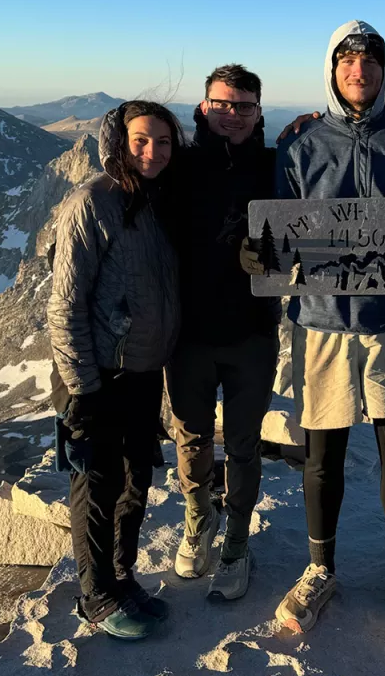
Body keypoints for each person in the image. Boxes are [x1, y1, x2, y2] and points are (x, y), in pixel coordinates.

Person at [254, 20, 385, 642]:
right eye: (347, 62)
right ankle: (319, 568)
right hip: (323, 322)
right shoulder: (301, 146)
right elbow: (275, 242)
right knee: (322, 452)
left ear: (384, 71)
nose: (358, 72)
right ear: (332, 70)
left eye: (369, 62)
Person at [47, 101, 183, 639]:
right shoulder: (91, 202)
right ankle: (95, 595)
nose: (153, 152)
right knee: (95, 485)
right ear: (118, 143)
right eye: (141, 141)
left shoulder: (152, 202)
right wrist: (83, 389)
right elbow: (64, 305)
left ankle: (122, 576)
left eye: (164, 142)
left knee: (135, 479)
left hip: (142, 369)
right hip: (98, 373)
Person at [167, 65, 280, 601]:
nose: (231, 114)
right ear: (203, 107)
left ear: (258, 111)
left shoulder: (276, 168)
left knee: (242, 442)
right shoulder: (178, 168)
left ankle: (236, 539)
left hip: (252, 331)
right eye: (221, 104)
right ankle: (199, 516)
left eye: (243, 105)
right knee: (189, 434)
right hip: (188, 331)